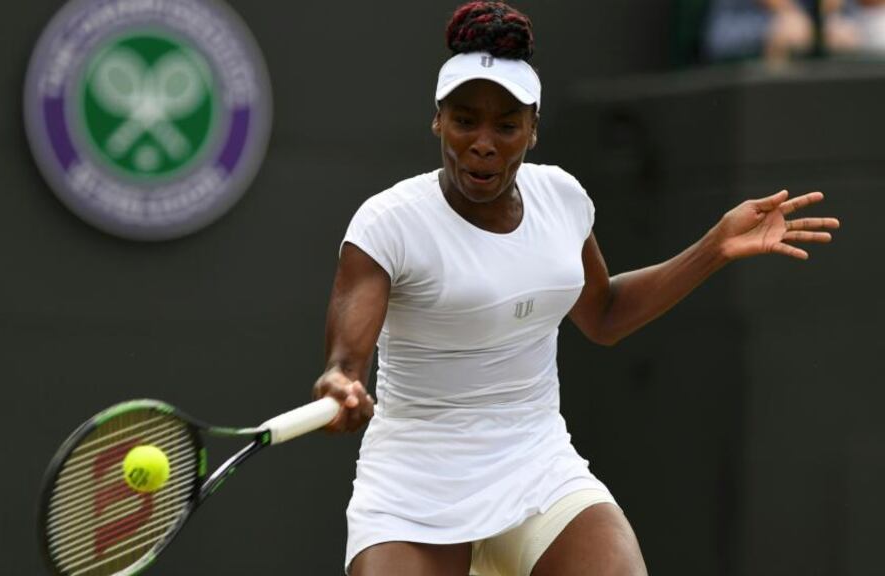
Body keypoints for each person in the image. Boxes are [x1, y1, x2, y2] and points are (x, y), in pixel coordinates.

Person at [312, 2, 840, 575]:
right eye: (465, 121)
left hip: (535, 464)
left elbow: (604, 314)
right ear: (439, 121)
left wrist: (713, 247)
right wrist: (340, 385)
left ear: (533, 130)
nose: (483, 142)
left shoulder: (561, 199)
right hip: (415, 482)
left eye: (506, 125)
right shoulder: (387, 223)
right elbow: (346, 364)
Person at [703, 0, 862, 64]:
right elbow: (717, 40)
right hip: (763, 99)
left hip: (827, 92)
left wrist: (842, 31)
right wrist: (768, 31)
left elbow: (856, 24)